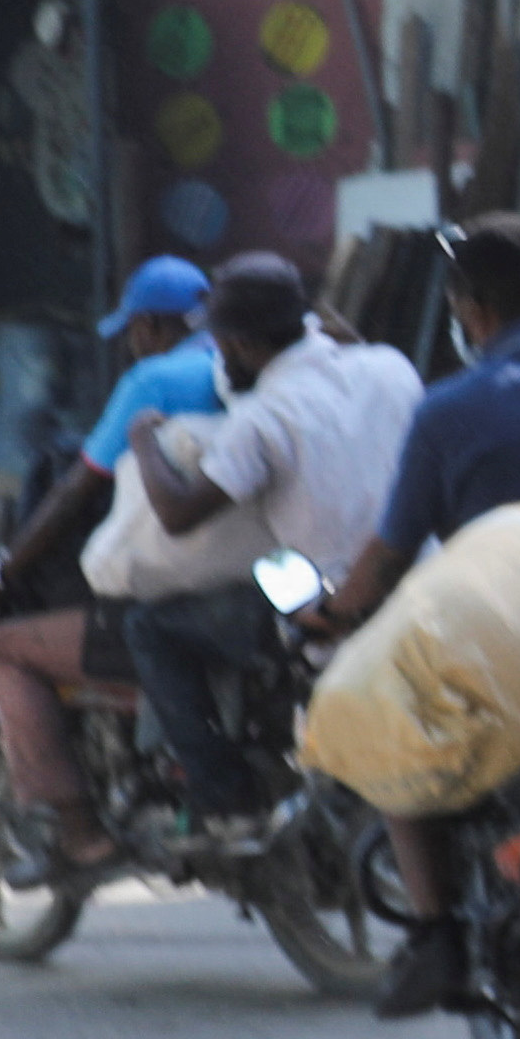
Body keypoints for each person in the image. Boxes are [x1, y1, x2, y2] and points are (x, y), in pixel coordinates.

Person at [301, 215, 520, 1018]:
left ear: (469, 308)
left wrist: (332, 611)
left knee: (394, 734)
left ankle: (437, 938)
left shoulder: (449, 409)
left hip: (509, 642)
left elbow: (389, 554)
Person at [115, 254, 420, 823]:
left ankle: (221, 795)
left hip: (325, 600)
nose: (218, 356)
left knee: (149, 627)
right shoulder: (389, 367)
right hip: (418, 580)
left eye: (222, 343)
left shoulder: (262, 417)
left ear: (240, 344)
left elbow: (178, 514)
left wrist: (144, 440)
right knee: (270, 563)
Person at [0, 256, 222, 869]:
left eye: (134, 332)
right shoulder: (245, 367)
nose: (133, 347)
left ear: (151, 328)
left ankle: (80, 830)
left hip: (169, 591)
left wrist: (4, 569)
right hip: (245, 580)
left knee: (6, 646)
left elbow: (76, 490)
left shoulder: (155, 381)